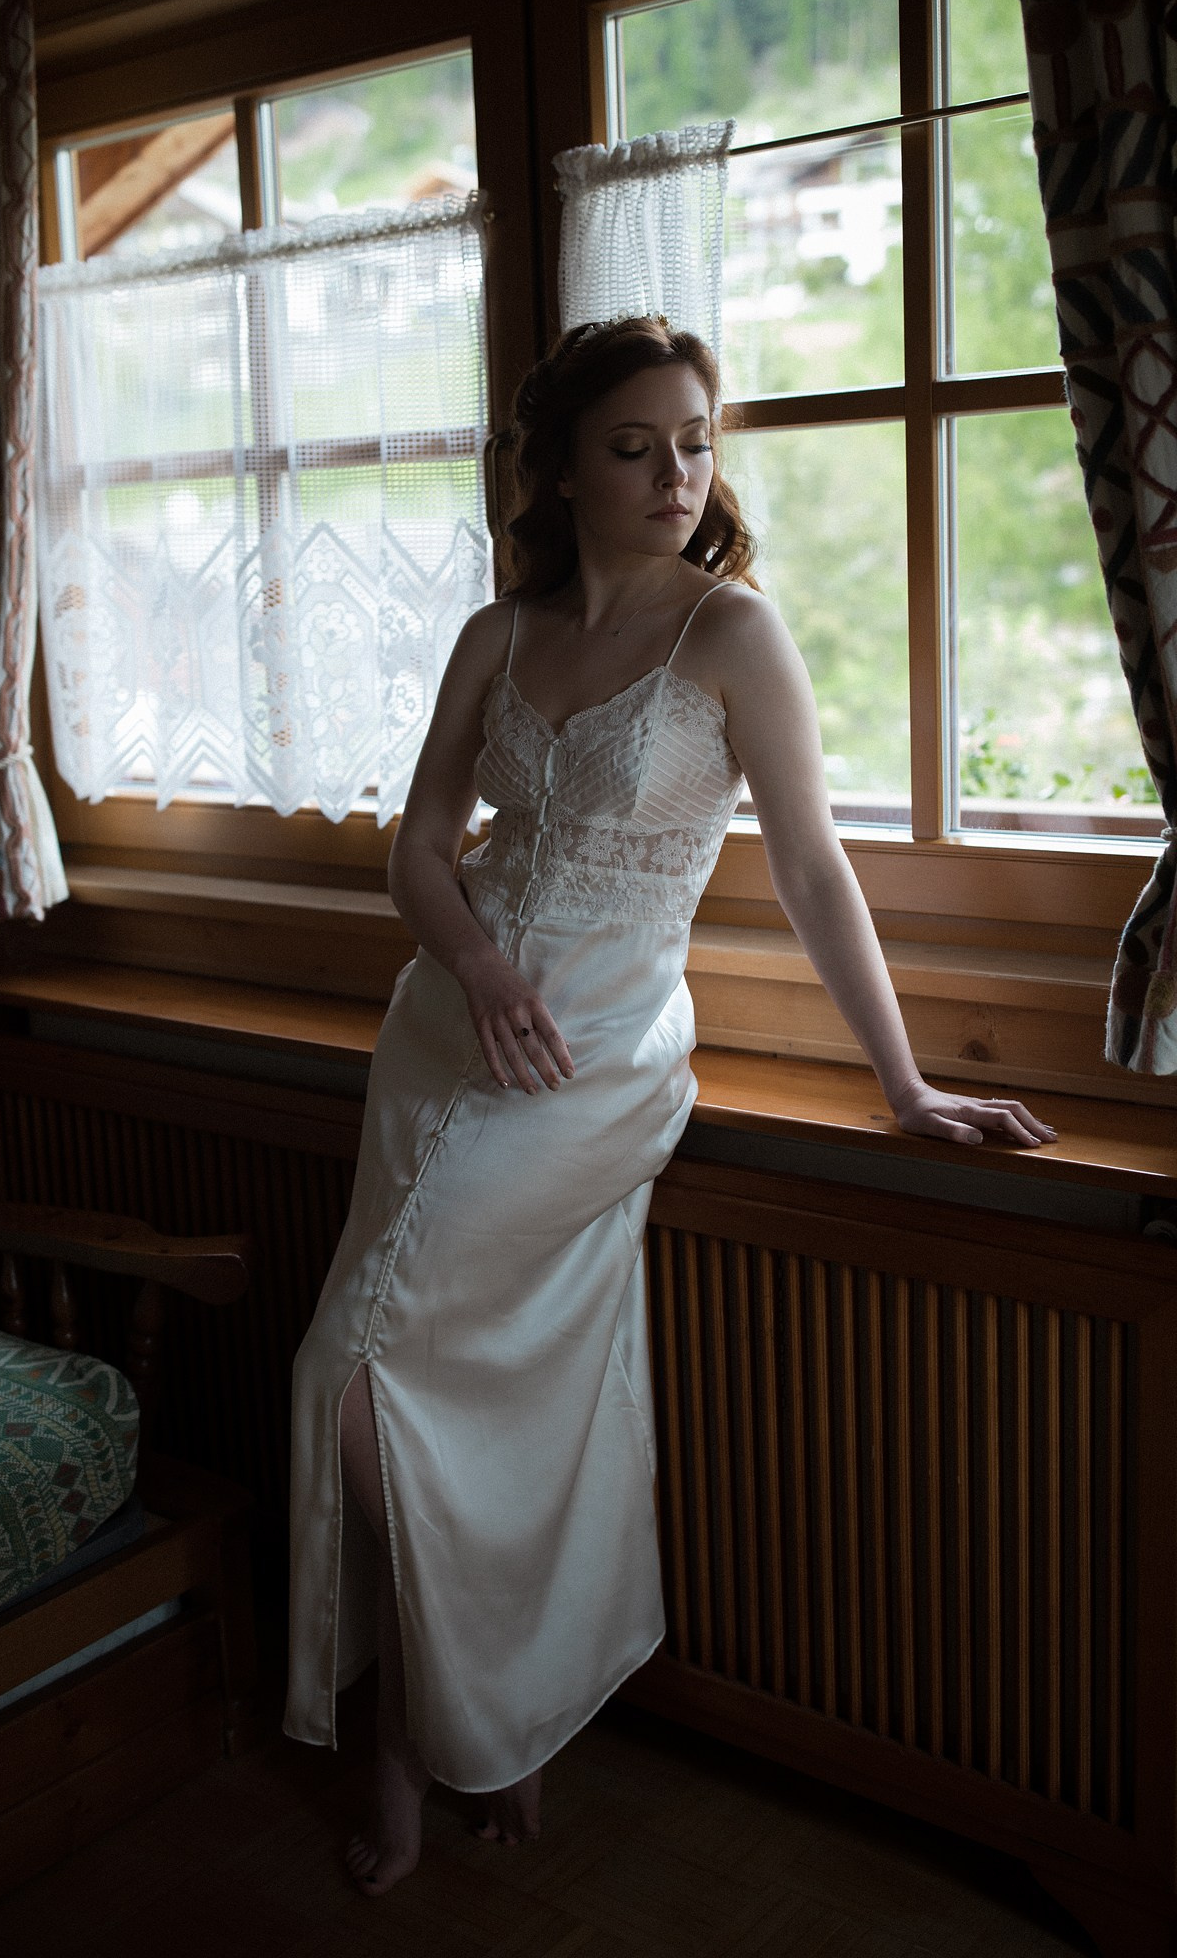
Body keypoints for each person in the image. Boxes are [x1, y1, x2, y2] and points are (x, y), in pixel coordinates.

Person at [283, 315, 1055, 1896]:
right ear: (559, 468)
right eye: (634, 446)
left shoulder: (731, 635)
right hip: (446, 1038)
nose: (675, 473)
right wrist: (485, 971)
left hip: (599, 1069)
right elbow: (420, 852)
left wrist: (904, 1080)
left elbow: (813, 867)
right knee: (377, 1392)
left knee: (358, 1382)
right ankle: (427, 1722)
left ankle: (471, 1715)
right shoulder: (499, 637)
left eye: (695, 439)